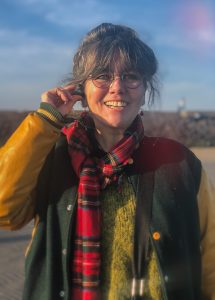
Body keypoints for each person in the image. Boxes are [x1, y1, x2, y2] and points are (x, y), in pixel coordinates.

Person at [0, 23, 214, 300]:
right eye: (102, 76)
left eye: (131, 76)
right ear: (81, 90)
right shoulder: (50, 156)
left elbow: (210, 257)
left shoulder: (180, 163)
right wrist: (45, 120)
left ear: (145, 90)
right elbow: (5, 213)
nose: (117, 88)